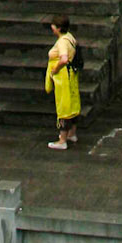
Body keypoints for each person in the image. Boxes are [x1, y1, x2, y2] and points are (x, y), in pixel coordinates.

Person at [44, 16, 80, 151]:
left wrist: (55, 69)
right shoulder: (70, 37)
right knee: (72, 104)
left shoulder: (62, 42)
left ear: (59, 28)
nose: (51, 28)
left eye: (53, 26)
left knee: (63, 106)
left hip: (63, 76)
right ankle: (72, 133)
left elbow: (64, 58)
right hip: (71, 75)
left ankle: (62, 139)